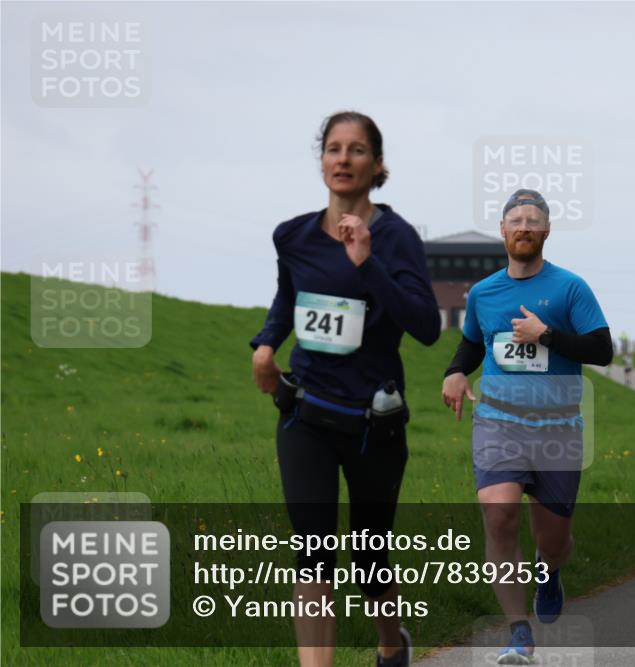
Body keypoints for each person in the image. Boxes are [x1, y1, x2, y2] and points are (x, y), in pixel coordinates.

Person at [250, 111, 440, 667]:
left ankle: (390, 642)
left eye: (357, 150)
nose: (343, 159)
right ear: (322, 160)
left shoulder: (398, 238)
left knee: (368, 557)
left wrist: (368, 263)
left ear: (376, 165)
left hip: (371, 424)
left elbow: (426, 327)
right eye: (333, 148)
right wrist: (265, 346)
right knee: (312, 554)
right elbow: (289, 298)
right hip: (305, 412)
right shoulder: (294, 235)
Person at [440, 189, 612, 665]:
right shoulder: (484, 293)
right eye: (515, 219)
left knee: (553, 540)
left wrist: (547, 336)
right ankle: (518, 631)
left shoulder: (570, 288)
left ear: (546, 232)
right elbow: (474, 344)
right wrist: (455, 372)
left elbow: (602, 350)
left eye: (533, 220)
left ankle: (549, 571)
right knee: (499, 516)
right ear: (502, 231)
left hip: (558, 430)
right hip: (498, 422)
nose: (524, 226)